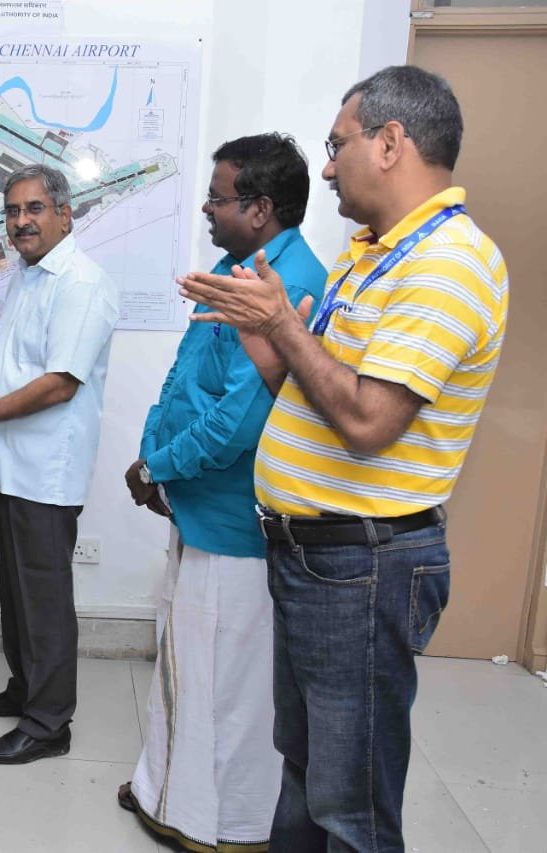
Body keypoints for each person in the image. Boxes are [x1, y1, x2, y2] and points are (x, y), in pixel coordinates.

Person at [179, 66, 508, 851]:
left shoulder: (446, 265)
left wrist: (284, 330)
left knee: (350, 806)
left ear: (390, 143)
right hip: (318, 557)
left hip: (362, 566)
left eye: (337, 146)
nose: (325, 169)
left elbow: (367, 421)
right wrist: (270, 343)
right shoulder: (372, 256)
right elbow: (318, 394)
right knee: (305, 774)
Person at [116, 134, 326, 852]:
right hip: (194, 502)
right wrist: (155, 456)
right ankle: (163, 790)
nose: (207, 208)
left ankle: (219, 826)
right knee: (184, 662)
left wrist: (157, 469)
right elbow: (184, 374)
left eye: (218, 197)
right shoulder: (233, 272)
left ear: (260, 208)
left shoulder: (289, 285)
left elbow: (239, 420)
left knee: (226, 684)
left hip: (236, 518)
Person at [0, 164, 120, 764]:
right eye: (12, 211)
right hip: (12, 462)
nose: (20, 222)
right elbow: (26, 355)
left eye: (34, 209)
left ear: (65, 214)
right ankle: (25, 687)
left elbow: (59, 383)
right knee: (17, 588)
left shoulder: (80, 282)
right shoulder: (30, 274)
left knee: (44, 596)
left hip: (45, 468)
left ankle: (48, 723)